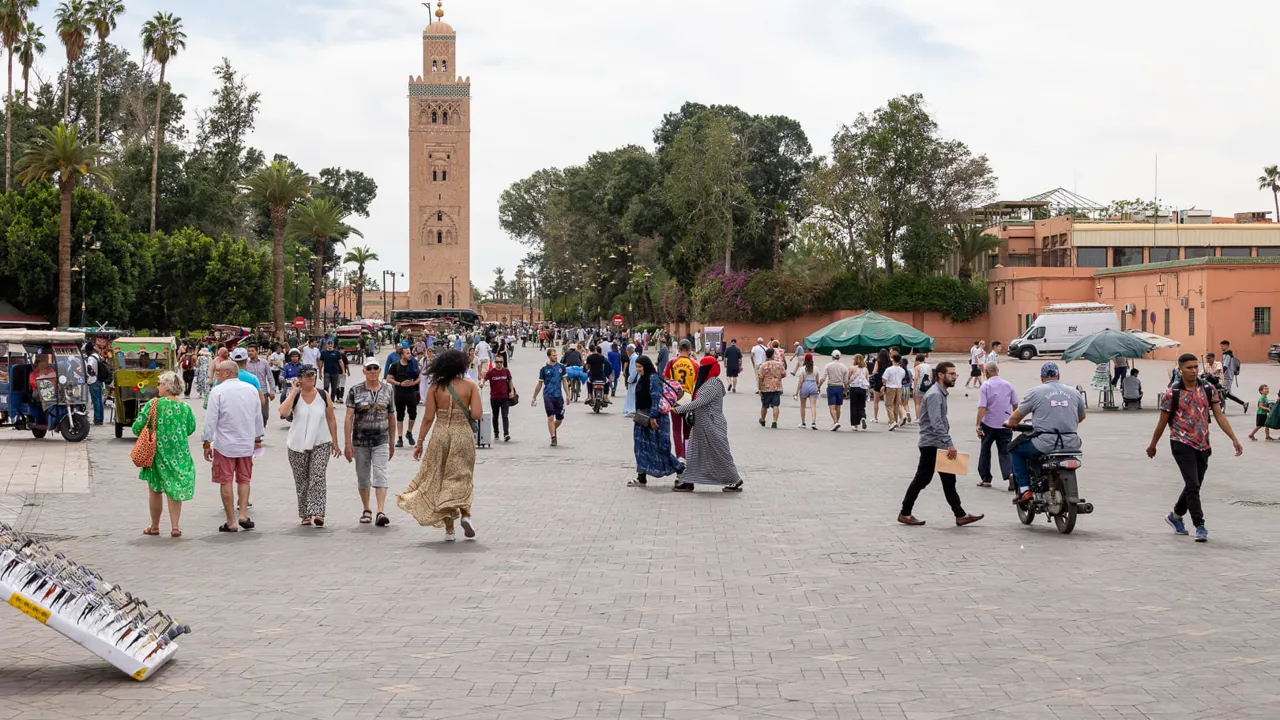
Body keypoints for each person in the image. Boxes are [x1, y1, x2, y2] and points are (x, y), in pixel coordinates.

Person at [1147, 353, 1243, 542]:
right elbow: (1162, 423)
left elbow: (1219, 416)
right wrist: (1153, 445)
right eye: (1188, 368)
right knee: (1192, 485)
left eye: (1195, 367)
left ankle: (1175, 516)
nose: (1193, 371)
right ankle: (1200, 525)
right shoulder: (1171, 394)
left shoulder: (1208, 389)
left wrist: (1234, 438)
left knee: (1195, 484)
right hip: (1181, 443)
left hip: (1203, 443)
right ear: (1180, 369)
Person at [398, 349, 484, 541]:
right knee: (462, 475)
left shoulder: (436, 387)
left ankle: (449, 530)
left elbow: (428, 418)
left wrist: (419, 443)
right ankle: (466, 514)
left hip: (440, 434)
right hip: (462, 433)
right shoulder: (470, 385)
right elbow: (477, 414)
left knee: (440, 477)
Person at [898, 362, 984, 527]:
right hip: (932, 444)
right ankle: (905, 512)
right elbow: (936, 423)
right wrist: (949, 443)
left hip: (938, 443)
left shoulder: (940, 393)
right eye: (951, 374)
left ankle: (960, 514)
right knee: (922, 480)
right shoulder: (935, 395)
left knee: (948, 481)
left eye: (955, 374)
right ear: (941, 375)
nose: (954, 377)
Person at [1005, 362, 1087, 504]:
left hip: (1045, 442)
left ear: (1042, 378)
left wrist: (1009, 423)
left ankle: (1024, 490)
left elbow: (1016, 417)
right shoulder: (1074, 392)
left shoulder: (1036, 392)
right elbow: (1081, 417)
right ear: (1058, 376)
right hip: (1072, 442)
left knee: (1015, 449)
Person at [202, 360, 264, 533]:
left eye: (219, 372)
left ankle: (231, 521)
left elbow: (211, 419)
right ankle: (243, 514)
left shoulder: (218, 391)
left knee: (225, 480)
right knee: (244, 479)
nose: (217, 374)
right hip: (246, 443)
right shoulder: (251, 390)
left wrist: (207, 442)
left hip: (224, 445)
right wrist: (257, 438)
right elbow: (257, 417)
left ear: (228, 373)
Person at [134, 371, 197, 538]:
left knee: (155, 490)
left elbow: (136, 427)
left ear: (167, 387)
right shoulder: (185, 408)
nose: (158, 387)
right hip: (179, 453)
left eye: (160, 384)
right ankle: (175, 527)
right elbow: (191, 428)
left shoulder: (154, 404)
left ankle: (154, 526)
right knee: (174, 490)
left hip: (157, 453)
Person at [280, 366, 341, 527]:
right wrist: (293, 392)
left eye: (312, 375)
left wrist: (335, 441)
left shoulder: (323, 395)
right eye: (307, 376)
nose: (311, 378)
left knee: (318, 476)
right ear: (299, 378)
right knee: (301, 480)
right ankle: (305, 513)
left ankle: (319, 511)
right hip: (297, 444)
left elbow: (331, 419)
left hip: (321, 442)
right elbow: (283, 413)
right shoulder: (295, 396)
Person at [672, 356, 742, 492]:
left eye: (702, 368)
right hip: (701, 426)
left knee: (720, 453)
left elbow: (699, 402)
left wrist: (678, 409)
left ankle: (735, 480)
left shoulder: (713, 383)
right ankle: (688, 480)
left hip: (712, 425)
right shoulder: (707, 382)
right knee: (693, 453)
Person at [344, 360, 397, 527]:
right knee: (363, 475)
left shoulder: (388, 390)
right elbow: (349, 418)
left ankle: (381, 511)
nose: (373, 371)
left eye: (375, 368)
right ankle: (366, 509)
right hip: (360, 441)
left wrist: (392, 441)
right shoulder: (355, 390)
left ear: (380, 370)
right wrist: (347, 443)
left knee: (380, 473)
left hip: (381, 439)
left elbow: (391, 416)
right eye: (369, 368)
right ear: (364, 371)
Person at [629, 356, 682, 487]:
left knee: (661, 448)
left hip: (656, 420)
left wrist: (653, 417)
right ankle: (641, 477)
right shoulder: (642, 378)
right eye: (637, 367)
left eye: (640, 367)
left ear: (646, 366)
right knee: (640, 448)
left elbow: (656, 399)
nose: (638, 369)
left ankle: (681, 470)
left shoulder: (654, 379)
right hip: (642, 419)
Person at [975, 362, 1018, 489]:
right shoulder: (1008, 385)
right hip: (1006, 424)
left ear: (986, 373)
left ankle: (986, 478)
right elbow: (1015, 404)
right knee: (1005, 452)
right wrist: (1013, 420)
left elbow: (982, 407)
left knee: (985, 451)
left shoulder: (986, 385)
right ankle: (1010, 474)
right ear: (997, 371)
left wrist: (978, 424)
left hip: (988, 424)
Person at [664, 341, 698, 458]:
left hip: (675, 400)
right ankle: (687, 454)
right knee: (688, 431)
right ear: (690, 349)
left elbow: (666, 380)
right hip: (689, 400)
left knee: (676, 430)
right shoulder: (694, 365)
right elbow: (697, 383)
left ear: (678, 349)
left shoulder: (672, 363)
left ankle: (680, 456)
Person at [532, 347, 568, 446]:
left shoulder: (561, 367)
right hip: (548, 395)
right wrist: (534, 396)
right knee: (550, 417)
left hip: (558, 395)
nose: (555, 357)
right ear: (549, 356)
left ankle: (553, 428)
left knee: (560, 418)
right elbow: (539, 384)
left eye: (556, 355)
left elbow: (564, 382)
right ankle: (553, 437)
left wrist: (568, 395)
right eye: (553, 355)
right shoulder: (544, 369)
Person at [387, 347, 421, 448]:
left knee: (413, 414)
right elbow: (388, 379)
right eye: (407, 353)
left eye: (410, 353)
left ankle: (409, 432)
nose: (410, 355)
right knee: (400, 416)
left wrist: (414, 383)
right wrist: (399, 383)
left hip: (411, 393)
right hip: (399, 393)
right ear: (402, 355)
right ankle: (400, 438)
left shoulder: (414, 364)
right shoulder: (395, 365)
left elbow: (419, 377)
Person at [481, 354, 516, 442]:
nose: (499, 364)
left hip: (505, 397)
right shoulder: (491, 372)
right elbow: (484, 378)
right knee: (495, 416)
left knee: (505, 416)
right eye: (497, 362)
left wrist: (511, 391)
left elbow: (510, 381)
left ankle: (506, 434)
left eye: (501, 362)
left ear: (503, 362)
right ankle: (496, 433)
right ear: (495, 362)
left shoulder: (506, 371)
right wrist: (481, 383)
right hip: (494, 398)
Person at [244, 344, 278, 427]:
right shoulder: (245, 363)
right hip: (250, 393)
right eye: (249, 351)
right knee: (251, 415)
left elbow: (270, 377)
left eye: (252, 351)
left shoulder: (264, 363)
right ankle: (255, 434)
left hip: (263, 393)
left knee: (264, 415)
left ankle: (262, 428)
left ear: (257, 351)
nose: (250, 353)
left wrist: (272, 391)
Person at [756, 347, 786, 429]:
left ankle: (763, 419)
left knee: (764, 405)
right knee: (776, 405)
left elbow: (760, 377)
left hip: (766, 388)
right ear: (773, 355)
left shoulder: (763, 365)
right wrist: (777, 378)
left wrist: (759, 388)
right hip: (776, 387)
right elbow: (784, 374)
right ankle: (774, 421)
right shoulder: (779, 364)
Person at [823, 350, 849, 431]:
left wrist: (819, 385)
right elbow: (846, 381)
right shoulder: (843, 367)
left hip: (831, 386)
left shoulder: (828, 365)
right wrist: (846, 390)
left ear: (832, 356)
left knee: (832, 406)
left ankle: (835, 421)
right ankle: (836, 422)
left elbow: (823, 377)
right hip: (840, 387)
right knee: (838, 406)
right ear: (839, 357)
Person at [794, 353, 821, 430]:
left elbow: (800, 381)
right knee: (813, 405)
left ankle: (803, 422)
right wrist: (818, 388)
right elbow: (817, 380)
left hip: (805, 385)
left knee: (803, 406)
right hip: (813, 385)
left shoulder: (802, 369)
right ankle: (813, 422)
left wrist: (796, 392)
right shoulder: (816, 368)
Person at [882, 354, 907, 430]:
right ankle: (895, 420)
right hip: (898, 387)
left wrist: (884, 385)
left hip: (890, 387)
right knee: (896, 405)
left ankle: (892, 421)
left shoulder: (889, 369)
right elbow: (902, 378)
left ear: (893, 360)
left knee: (889, 405)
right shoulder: (902, 370)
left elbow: (884, 379)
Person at [319, 340, 347, 404]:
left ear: (333, 344)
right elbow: (321, 362)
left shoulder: (336, 352)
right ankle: (326, 400)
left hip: (335, 372)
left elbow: (340, 361)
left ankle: (331, 401)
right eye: (328, 343)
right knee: (326, 386)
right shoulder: (323, 352)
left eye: (331, 343)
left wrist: (343, 371)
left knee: (334, 388)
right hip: (326, 372)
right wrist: (320, 372)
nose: (330, 345)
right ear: (326, 344)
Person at [85, 343, 105, 425]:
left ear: (88, 350)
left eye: (86, 351)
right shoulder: (98, 356)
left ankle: (97, 419)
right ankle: (100, 418)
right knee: (99, 400)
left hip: (93, 380)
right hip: (99, 380)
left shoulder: (91, 358)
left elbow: (89, 368)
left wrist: (89, 374)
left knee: (95, 400)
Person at [848, 354, 869, 431]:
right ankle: (862, 416)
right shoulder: (865, 369)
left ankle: (854, 424)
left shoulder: (852, 368)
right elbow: (867, 380)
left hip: (854, 388)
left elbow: (848, 378)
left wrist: (847, 386)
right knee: (861, 405)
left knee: (853, 406)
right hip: (862, 389)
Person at [912, 354, 933, 420]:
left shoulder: (917, 367)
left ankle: (918, 418)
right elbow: (931, 377)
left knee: (918, 403)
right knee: (926, 402)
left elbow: (916, 378)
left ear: (917, 360)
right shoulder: (929, 366)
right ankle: (926, 417)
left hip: (919, 385)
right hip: (927, 385)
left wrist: (914, 388)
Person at [623, 345, 641, 417]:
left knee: (633, 395)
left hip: (634, 381)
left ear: (628, 351)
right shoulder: (634, 357)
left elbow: (634, 371)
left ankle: (633, 410)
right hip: (634, 380)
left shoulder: (634, 358)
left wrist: (629, 379)